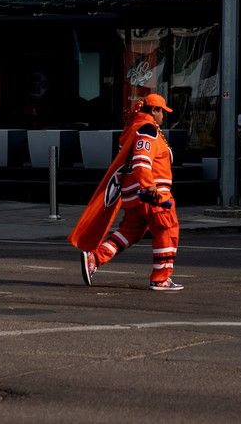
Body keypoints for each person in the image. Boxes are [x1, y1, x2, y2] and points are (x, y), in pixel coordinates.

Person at [78, 93, 182, 291]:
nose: (163, 116)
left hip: (133, 195)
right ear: (154, 110)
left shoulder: (131, 129)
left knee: (129, 233)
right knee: (167, 230)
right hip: (153, 192)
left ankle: (94, 258)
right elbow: (142, 160)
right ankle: (161, 278)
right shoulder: (148, 129)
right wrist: (148, 186)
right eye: (162, 112)